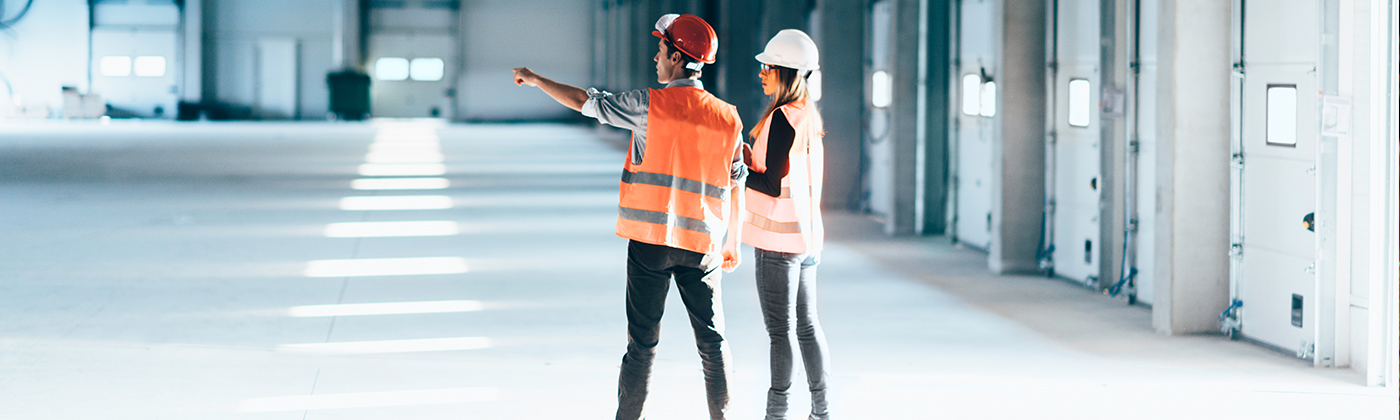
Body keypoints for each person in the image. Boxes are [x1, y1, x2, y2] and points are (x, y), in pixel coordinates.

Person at [511, 13, 746, 420]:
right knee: (713, 342)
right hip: (703, 244)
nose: (655, 57)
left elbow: (586, 102)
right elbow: (737, 179)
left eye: (660, 49)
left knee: (642, 345)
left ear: (676, 56)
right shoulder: (728, 117)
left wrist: (537, 80)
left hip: (651, 243)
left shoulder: (649, 105)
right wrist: (733, 241)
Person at [741, 29, 832, 420]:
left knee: (781, 332)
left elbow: (770, 183)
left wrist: (737, 167)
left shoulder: (781, 118)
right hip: (806, 240)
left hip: (778, 244)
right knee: (808, 327)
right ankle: (821, 412)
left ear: (786, 72)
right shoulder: (807, 116)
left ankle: (775, 414)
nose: (762, 72)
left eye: (768, 66)